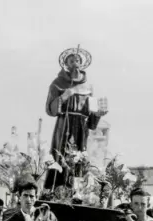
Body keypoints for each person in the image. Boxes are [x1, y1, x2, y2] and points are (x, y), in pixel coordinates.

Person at [44, 45, 107, 189]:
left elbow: (91, 122)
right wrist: (63, 97)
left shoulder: (88, 87)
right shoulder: (57, 83)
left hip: (81, 128)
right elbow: (50, 109)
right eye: (71, 61)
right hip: (64, 125)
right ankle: (57, 189)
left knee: (80, 158)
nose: (75, 63)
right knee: (61, 155)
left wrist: (97, 115)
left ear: (81, 63)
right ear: (66, 64)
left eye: (77, 60)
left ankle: (77, 191)